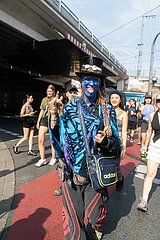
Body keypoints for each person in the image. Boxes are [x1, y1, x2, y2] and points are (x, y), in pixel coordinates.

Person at [49, 57, 121, 240]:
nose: (90, 83)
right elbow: (58, 141)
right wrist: (54, 115)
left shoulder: (106, 110)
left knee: (96, 214)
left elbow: (117, 146)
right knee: (74, 220)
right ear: (81, 82)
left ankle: (98, 223)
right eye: (87, 78)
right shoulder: (69, 107)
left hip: (95, 172)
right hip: (71, 172)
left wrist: (105, 142)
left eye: (95, 79)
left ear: (100, 84)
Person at [53, 82, 79, 196]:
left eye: (75, 92)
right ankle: (63, 186)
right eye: (71, 92)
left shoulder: (81, 106)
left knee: (76, 166)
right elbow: (57, 124)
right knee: (64, 165)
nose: (73, 94)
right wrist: (57, 110)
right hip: (65, 142)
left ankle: (75, 187)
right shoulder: (62, 107)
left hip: (77, 143)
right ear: (67, 94)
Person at [137, 93, 160, 212]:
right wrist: (145, 146)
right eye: (159, 100)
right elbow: (150, 130)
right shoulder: (152, 115)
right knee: (150, 174)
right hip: (155, 147)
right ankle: (144, 201)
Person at [109, 90, 128, 191]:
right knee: (106, 162)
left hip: (117, 142)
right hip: (107, 142)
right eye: (112, 98)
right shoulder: (106, 110)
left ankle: (120, 179)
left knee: (116, 164)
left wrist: (123, 147)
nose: (114, 100)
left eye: (116, 98)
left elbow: (124, 131)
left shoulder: (124, 113)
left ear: (120, 100)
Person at [35, 85, 57, 167]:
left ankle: (53, 157)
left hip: (52, 119)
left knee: (52, 140)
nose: (49, 93)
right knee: (40, 140)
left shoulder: (55, 99)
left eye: (50, 91)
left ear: (53, 92)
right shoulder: (44, 100)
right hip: (44, 120)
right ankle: (42, 159)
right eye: (48, 91)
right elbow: (42, 110)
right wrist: (38, 121)